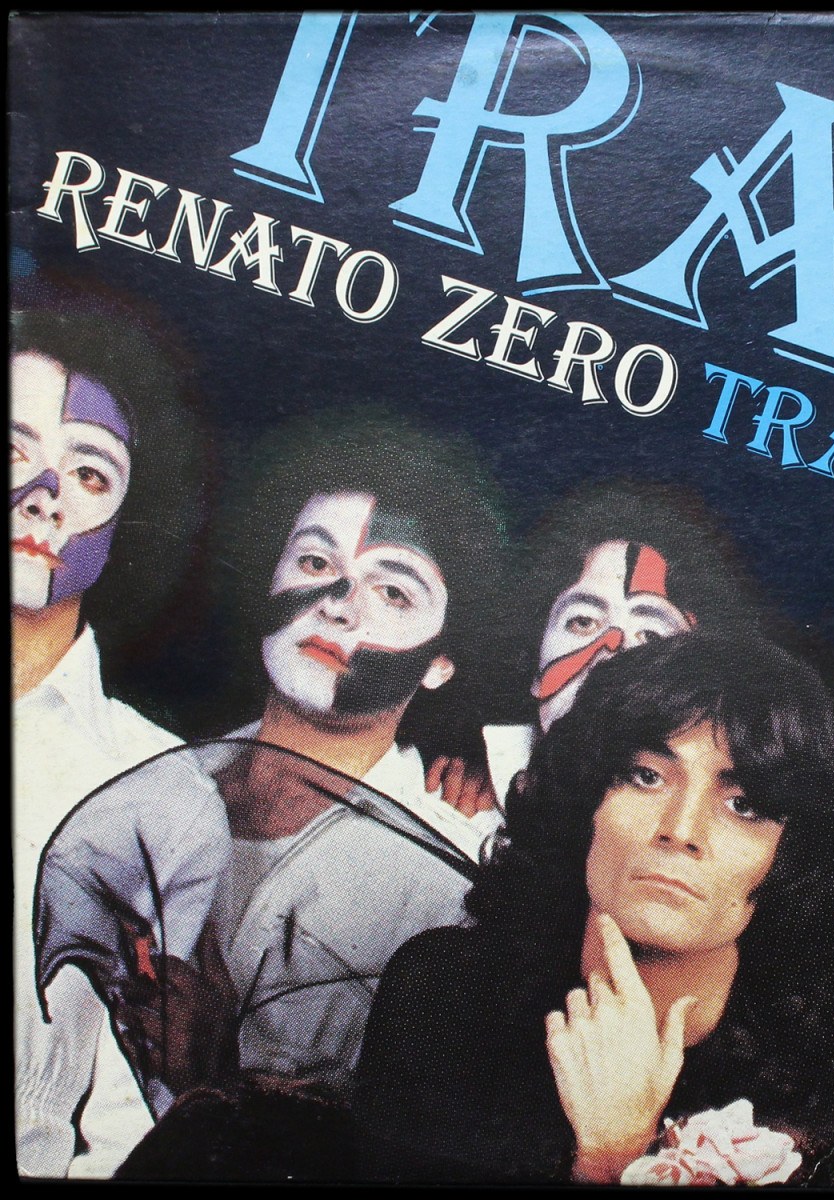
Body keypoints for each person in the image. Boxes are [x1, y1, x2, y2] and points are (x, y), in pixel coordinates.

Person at [35, 413, 505, 1128]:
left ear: (442, 661)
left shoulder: (457, 873)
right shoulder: (142, 774)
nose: (339, 605)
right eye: (316, 563)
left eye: (394, 593)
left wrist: (219, 1081)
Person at [354, 633, 834, 1185]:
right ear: (585, 800)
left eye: (744, 805)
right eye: (646, 776)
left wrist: (614, 1157)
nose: (681, 830)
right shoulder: (442, 991)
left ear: (791, 856)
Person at [12, 307, 201, 1178]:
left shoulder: (152, 782)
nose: (44, 493)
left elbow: (136, 1111)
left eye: (90, 472)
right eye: (13, 449)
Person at [432, 479, 766, 825]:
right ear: (534, 662)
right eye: (583, 621)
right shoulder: (445, 801)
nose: (612, 649)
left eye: (651, 636)